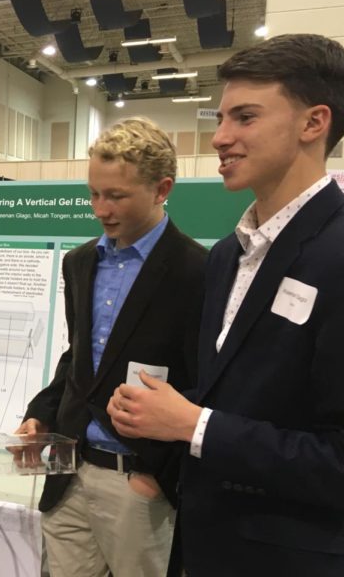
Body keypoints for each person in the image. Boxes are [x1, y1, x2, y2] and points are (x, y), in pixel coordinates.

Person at [108, 34, 344, 576]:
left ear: (313, 123)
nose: (219, 138)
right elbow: (245, 396)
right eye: (222, 118)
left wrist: (193, 425)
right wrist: (159, 414)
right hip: (212, 547)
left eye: (245, 118)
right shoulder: (228, 257)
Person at [15, 117, 207, 577]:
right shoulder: (80, 262)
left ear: (162, 189)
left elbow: (208, 383)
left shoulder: (198, 271)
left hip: (139, 484)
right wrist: (39, 414)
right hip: (69, 471)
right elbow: (77, 360)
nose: (101, 209)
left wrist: (158, 476)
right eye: (94, 194)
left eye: (117, 196)